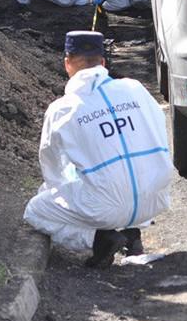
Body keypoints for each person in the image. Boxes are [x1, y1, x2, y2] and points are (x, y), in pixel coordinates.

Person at [23, 31, 175, 268]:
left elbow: (52, 169)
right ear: (103, 62)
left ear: (67, 64)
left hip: (107, 208)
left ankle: (100, 240)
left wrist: (61, 194)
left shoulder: (62, 109)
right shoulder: (135, 89)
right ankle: (132, 233)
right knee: (127, 170)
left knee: (36, 209)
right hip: (154, 200)